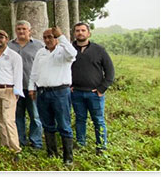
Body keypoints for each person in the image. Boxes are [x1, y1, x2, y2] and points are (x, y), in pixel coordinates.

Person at [29, 27, 77, 165]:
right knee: (47, 123)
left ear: (56, 37)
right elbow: (34, 72)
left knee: (63, 124)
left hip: (60, 92)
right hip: (43, 92)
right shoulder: (40, 52)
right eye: (45, 37)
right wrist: (32, 88)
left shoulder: (64, 51)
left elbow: (73, 53)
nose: (48, 40)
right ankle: (51, 152)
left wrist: (61, 36)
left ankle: (68, 157)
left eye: (50, 37)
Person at [70, 22, 115, 155]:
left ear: (88, 33)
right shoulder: (69, 49)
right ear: (74, 33)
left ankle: (101, 146)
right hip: (76, 92)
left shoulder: (99, 50)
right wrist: (68, 85)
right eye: (77, 30)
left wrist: (102, 89)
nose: (80, 33)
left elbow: (110, 71)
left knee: (98, 120)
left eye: (83, 30)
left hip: (94, 93)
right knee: (80, 119)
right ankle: (80, 143)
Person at [0, 30, 24, 160]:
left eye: (1, 37)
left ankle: (15, 149)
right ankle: (4, 144)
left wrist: (17, 91)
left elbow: (18, 74)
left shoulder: (14, 56)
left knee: (9, 120)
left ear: (7, 39)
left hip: (9, 90)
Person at [7, 20, 44, 150]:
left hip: (33, 88)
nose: (21, 31)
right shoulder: (9, 45)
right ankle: (21, 140)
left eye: (24, 29)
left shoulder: (39, 45)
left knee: (35, 116)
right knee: (17, 116)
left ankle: (36, 142)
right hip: (15, 88)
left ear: (30, 30)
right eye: (18, 29)